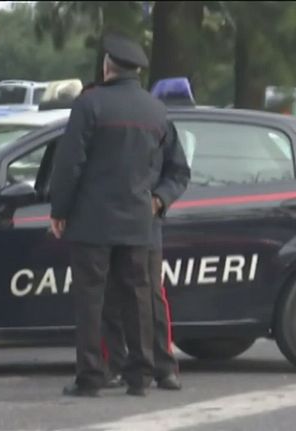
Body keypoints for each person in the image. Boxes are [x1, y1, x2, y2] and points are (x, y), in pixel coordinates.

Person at [49, 33, 174, 398]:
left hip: (93, 222)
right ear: (137, 71)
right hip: (138, 222)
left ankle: (90, 376)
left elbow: (69, 164)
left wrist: (59, 210)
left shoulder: (89, 105)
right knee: (138, 299)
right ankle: (140, 376)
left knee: (91, 301)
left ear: (107, 66)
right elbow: (163, 165)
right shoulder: (156, 111)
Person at [101, 120, 190, 391]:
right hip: (105, 218)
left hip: (145, 222)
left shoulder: (158, 121)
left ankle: (163, 367)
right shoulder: (102, 114)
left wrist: (159, 199)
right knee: (108, 293)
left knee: (150, 295)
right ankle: (115, 364)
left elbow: (178, 172)